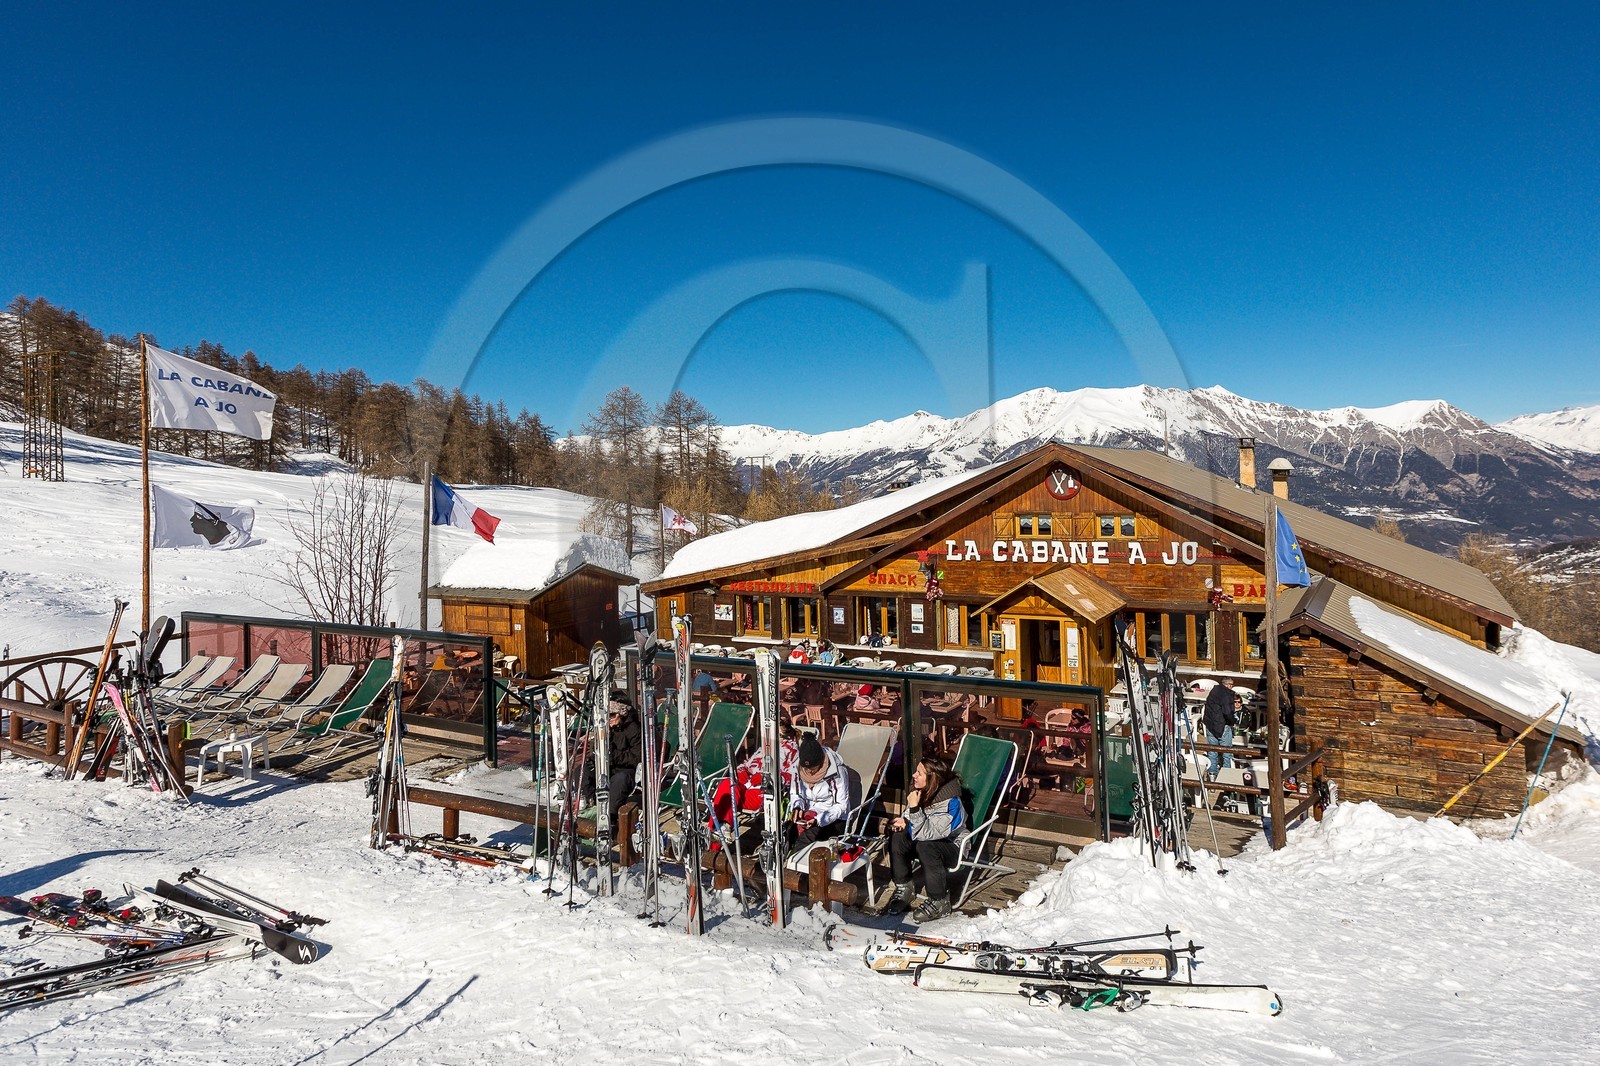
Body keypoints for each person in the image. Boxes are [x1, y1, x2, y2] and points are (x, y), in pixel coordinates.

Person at [886, 755, 965, 923]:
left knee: (926, 846)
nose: (914, 775)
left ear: (932, 779)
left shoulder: (952, 803)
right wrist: (905, 821)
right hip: (925, 837)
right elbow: (916, 822)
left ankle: (939, 900)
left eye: (919, 773)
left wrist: (914, 809)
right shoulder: (924, 791)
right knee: (898, 836)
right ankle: (904, 886)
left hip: (953, 847)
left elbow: (930, 833)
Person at [707, 718, 800, 835]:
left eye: (776, 735)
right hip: (745, 784)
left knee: (727, 799)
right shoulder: (764, 748)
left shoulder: (792, 752)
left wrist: (766, 777)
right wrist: (741, 772)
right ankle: (722, 828)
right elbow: (746, 763)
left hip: (763, 790)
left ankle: (716, 832)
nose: (771, 737)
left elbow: (791, 777)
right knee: (727, 785)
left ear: (785, 737)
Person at [585, 690, 642, 830]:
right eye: (607, 715)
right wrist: (594, 758)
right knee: (583, 771)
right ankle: (590, 803)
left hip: (628, 770)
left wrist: (614, 756)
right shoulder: (607, 728)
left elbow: (637, 758)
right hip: (609, 765)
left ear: (621, 714)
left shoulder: (634, 729)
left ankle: (609, 816)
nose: (609, 719)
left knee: (619, 780)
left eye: (612, 715)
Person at [788, 733, 851, 848]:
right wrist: (797, 806)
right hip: (809, 813)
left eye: (813, 768)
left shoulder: (837, 771)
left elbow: (842, 806)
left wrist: (818, 820)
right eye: (806, 768)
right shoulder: (796, 768)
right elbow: (796, 794)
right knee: (787, 832)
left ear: (821, 761)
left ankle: (796, 864)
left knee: (806, 838)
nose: (810, 772)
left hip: (833, 818)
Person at [1203, 677, 1240, 777]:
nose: (1231, 687)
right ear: (1227, 685)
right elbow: (1228, 713)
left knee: (1212, 751)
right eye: (1231, 685)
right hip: (1222, 726)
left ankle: (1212, 775)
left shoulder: (1214, 691)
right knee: (1227, 753)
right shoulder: (1226, 695)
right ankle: (1226, 777)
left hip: (1210, 724)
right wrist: (1234, 721)